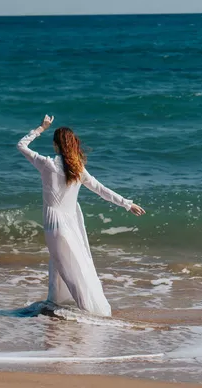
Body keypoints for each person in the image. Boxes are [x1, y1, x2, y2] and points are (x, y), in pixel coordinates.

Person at [17, 115, 145, 317]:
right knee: (66, 265)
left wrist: (41, 128)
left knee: (67, 268)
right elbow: (101, 189)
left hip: (54, 224)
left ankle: (90, 312)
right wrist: (126, 204)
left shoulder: (46, 164)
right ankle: (58, 306)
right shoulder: (78, 169)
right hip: (71, 223)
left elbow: (21, 145)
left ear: (56, 145)